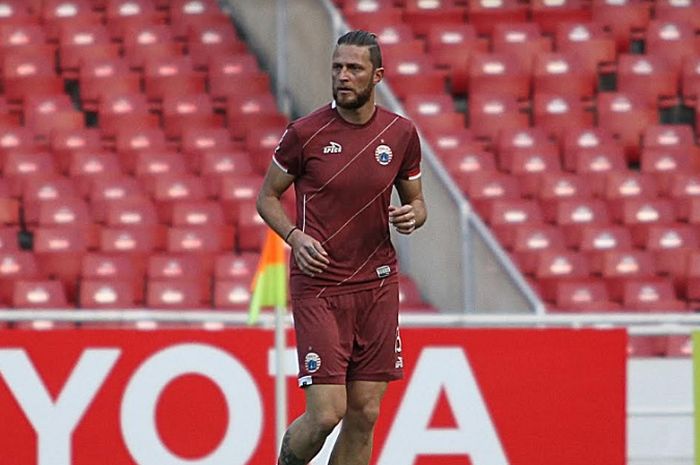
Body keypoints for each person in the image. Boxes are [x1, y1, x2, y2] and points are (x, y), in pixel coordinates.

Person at [256, 30, 427, 465]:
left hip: (377, 285)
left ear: (377, 76)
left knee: (365, 412)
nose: (343, 76)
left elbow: (416, 201)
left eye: (354, 69)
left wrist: (414, 215)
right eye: (337, 68)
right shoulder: (305, 133)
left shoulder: (401, 134)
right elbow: (266, 198)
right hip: (320, 285)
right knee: (327, 412)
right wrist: (294, 237)